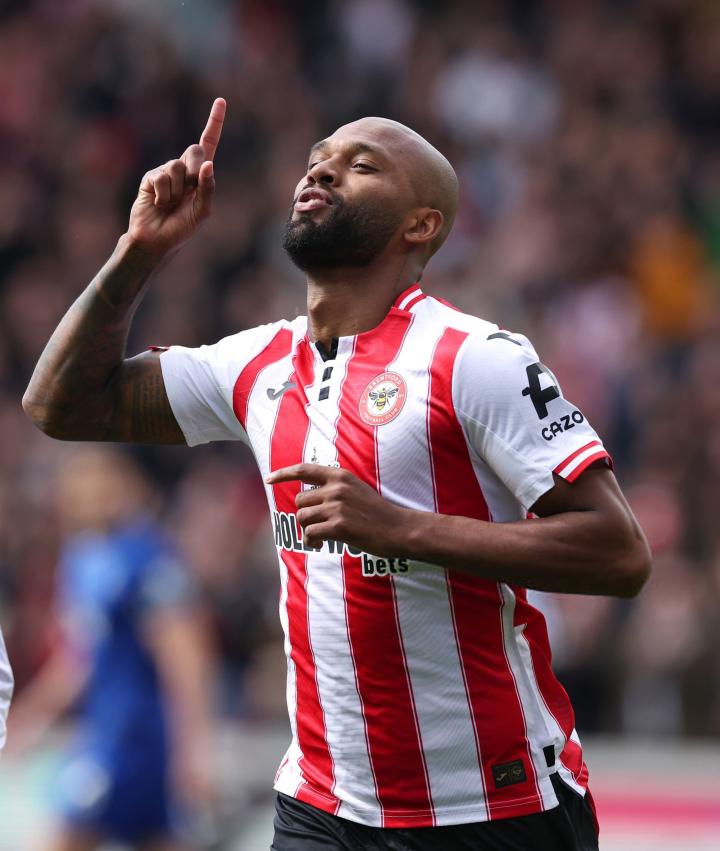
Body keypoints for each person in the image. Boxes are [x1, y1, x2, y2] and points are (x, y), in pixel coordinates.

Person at [23, 98, 651, 850]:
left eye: (361, 166)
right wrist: (139, 252)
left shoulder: (477, 359)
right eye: (318, 159)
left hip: (492, 805)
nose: (321, 171)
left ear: (420, 225)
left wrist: (402, 529)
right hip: (322, 806)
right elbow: (61, 404)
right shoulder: (255, 364)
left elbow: (619, 552)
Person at [7, 446, 214, 851]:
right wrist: (30, 719)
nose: (90, 492)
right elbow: (80, 660)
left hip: (136, 741)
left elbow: (185, 659)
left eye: (102, 480)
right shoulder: (81, 558)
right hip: (107, 733)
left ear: (127, 485)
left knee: (59, 837)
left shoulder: (147, 559)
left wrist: (193, 750)